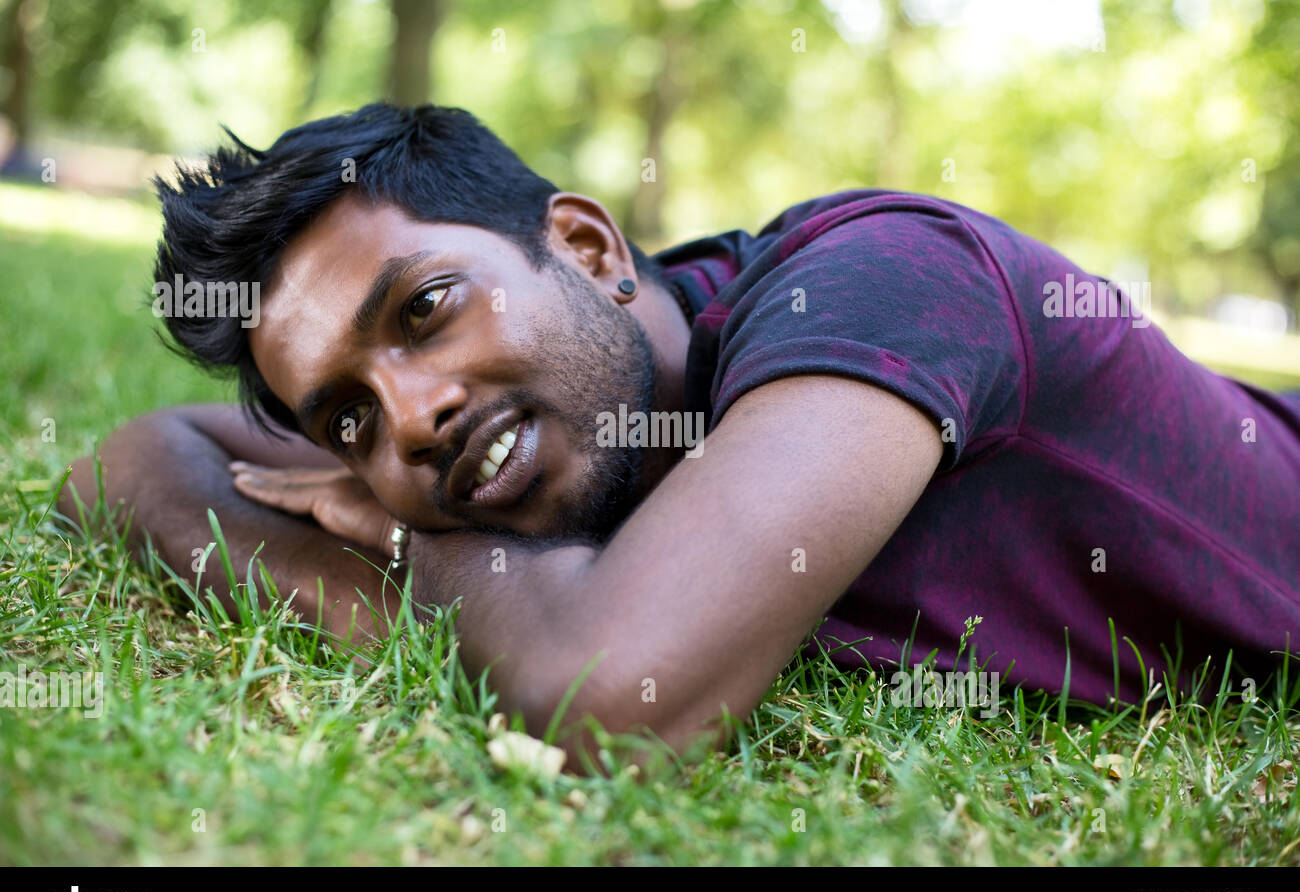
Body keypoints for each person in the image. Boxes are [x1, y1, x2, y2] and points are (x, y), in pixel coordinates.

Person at [59, 103, 1300, 773]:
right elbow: (133, 458)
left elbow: (610, 703)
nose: (414, 417)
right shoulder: (594, 386)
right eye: (348, 419)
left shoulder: (881, 285)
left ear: (589, 249)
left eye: (426, 309)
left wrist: (410, 540)